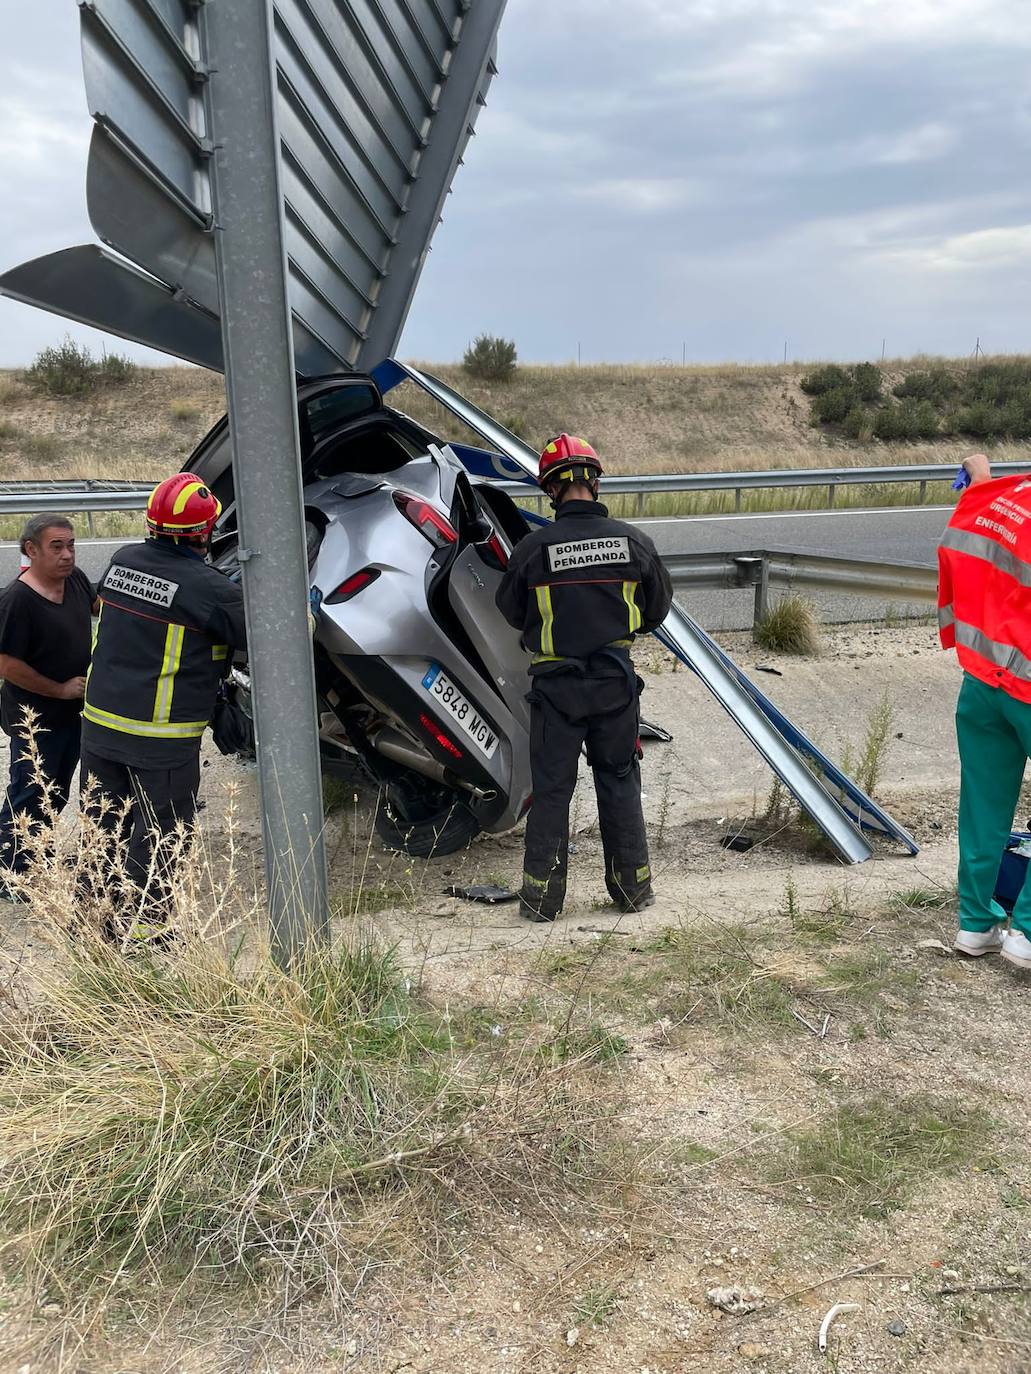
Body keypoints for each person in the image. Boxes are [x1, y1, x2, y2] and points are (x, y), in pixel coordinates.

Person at [496, 433, 673, 922]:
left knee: (553, 791)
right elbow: (656, 611)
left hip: (556, 692)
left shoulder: (534, 549)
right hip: (616, 687)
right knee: (618, 781)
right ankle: (632, 892)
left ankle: (541, 902)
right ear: (594, 482)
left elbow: (510, 610)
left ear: (550, 491)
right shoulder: (635, 543)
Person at [80, 472, 246, 929]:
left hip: (99, 722)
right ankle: (151, 932)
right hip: (161, 735)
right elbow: (277, 633)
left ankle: (92, 925)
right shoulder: (208, 587)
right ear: (204, 531)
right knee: (161, 834)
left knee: (103, 826)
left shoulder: (121, 560)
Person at [939, 452, 1031, 969]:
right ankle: (1028, 936)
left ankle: (976, 924)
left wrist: (981, 475)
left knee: (983, 810)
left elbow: (979, 510)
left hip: (983, 682)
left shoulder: (1005, 502)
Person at [0, 515, 94, 899]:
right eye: (57, 546)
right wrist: (58, 690)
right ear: (31, 550)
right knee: (29, 792)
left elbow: (101, 606)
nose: (67, 554)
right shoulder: (17, 600)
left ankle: (35, 856)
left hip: (74, 712)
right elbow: (6, 664)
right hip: (34, 717)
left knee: (55, 793)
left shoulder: (75, 581)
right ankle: (12, 873)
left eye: (71, 545)